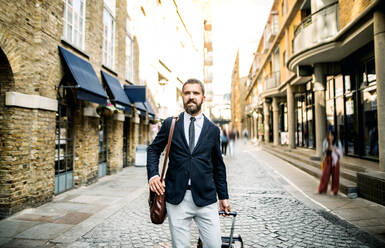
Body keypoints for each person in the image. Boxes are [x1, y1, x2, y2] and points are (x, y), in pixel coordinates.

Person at [147, 78, 230, 247]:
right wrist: (153, 175)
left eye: (196, 93)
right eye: (187, 93)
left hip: (206, 198)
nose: (191, 97)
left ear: (203, 98)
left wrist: (224, 196)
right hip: (177, 198)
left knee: (214, 245)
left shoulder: (213, 130)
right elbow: (153, 150)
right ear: (182, 97)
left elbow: (218, 166)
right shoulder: (171, 124)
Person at [318, 130, 343, 195]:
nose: (330, 137)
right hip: (327, 159)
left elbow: (340, 152)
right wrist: (327, 148)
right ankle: (322, 189)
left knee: (335, 175)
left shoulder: (338, 142)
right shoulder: (326, 141)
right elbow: (323, 151)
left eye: (331, 135)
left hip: (335, 160)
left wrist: (334, 149)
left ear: (334, 136)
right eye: (329, 135)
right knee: (325, 174)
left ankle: (334, 190)